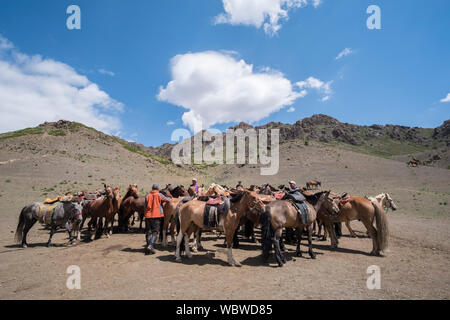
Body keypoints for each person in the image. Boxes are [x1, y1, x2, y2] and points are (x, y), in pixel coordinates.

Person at [144, 184, 171, 255]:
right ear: (158, 189)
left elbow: (145, 206)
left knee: (148, 232)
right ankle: (150, 245)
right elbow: (167, 200)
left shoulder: (147, 195)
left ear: (152, 188)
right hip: (156, 215)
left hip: (148, 216)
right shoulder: (159, 194)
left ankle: (149, 246)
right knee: (155, 232)